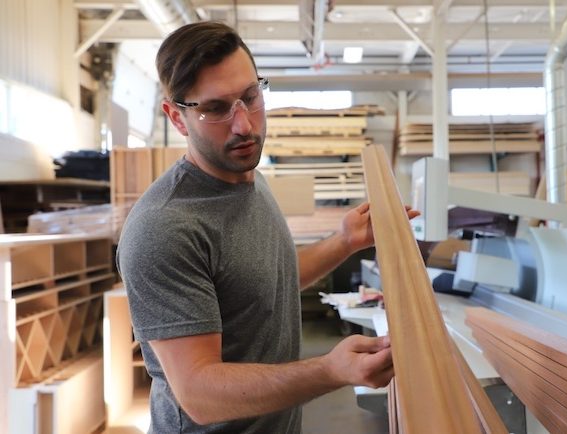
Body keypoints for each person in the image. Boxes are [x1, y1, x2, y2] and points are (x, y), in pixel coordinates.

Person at [117, 21, 419, 433]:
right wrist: (331, 370)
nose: (244, 125)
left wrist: (345, 241)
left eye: (250, 97)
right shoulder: (165, 228)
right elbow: (198, 394)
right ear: (178, 117)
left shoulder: (247, 178)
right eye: (216, 108)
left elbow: (265, 280)